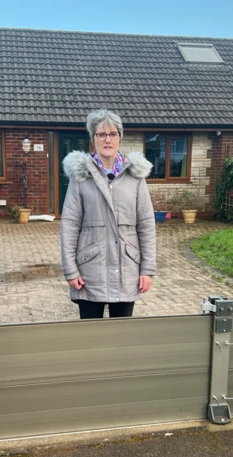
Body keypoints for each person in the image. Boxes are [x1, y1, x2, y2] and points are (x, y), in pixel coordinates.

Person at [61, 109, 156, 319]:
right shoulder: (81, 176)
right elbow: (70, 224)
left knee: (121, 338)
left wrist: (147, 269)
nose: (107, 139)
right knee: (91, 337)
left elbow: (146, 224)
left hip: (127, 268)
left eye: (112, 134)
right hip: (89, 269)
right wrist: (70, 269)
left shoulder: (135, 176)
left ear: (120, 137)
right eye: (101, 134)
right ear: (93, 138)